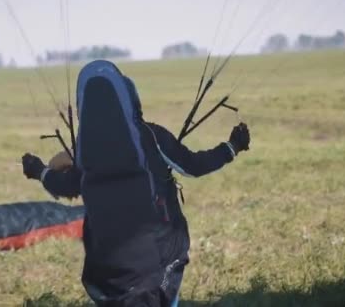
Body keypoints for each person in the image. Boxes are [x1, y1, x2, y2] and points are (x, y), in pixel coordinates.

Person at [22, 60, 250, 306]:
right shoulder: (151, 136)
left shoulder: (87, 150)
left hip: (105, 272)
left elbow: (64, 185)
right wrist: (232, 147)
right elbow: (193, 166)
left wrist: (38, 170)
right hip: (158, 261)